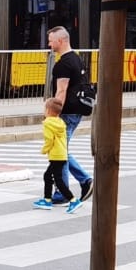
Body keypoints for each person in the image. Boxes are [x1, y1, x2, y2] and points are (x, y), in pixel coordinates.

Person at [47, 25, 93, 204]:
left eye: (51, 41)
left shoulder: (64, 64)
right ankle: (83, 182)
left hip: (66, 113)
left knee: (60, 152)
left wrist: (53, 116)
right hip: (76, 111)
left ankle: (66, 191)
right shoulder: (76, 59)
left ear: (60, 40)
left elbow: (61, 91)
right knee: (62, 150)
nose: (49, 44)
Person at [33, 97, 80, 213]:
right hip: (62, 154)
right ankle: (47, 200)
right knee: (47, 176)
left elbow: (49, 140)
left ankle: (73, 200)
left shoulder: (48, 123)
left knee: (58, 180)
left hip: (55, 156)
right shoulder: (61, 122)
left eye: (44, 109)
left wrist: (44, 150)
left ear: (48, 111)